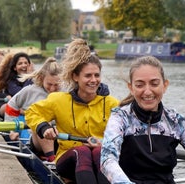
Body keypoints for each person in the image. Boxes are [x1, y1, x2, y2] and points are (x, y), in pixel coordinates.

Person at [25, 38, 120, 184]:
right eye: (88, 75)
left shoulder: (111, 104)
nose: (93, 80)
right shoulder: (59, 100)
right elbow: (32, 112)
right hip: (69, 159)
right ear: (75, 77)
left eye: (97, 75)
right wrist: (44, 127)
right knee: (82, 151)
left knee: (99, 152)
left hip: (99, 157)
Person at [100, 55, 185, 184]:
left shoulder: (176, 121)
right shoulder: (120, 118)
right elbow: (107, 160)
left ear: (165, 85)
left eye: (154, 84)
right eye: (140, 85)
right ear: (131, 88)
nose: (147, 92)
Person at [5, 57, 62, 162]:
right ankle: (51, 160)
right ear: (41, 78)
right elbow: (11, 107)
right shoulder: (30, 91)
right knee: (44, 122)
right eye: (49, 84)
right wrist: (12, 130)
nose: (53, 89)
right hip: (38, 138)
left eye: (57, 85)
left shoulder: (65, 92)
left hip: (61, 137)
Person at [0, 52, 34, 118]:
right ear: (15, 68)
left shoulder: (34, 79)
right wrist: (29, 76)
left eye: (26, 63)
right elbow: (22, 94)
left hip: (23, 107)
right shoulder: (10, 80)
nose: (24, 65)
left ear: (29, 65)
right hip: (3, 105)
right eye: (20, 64)